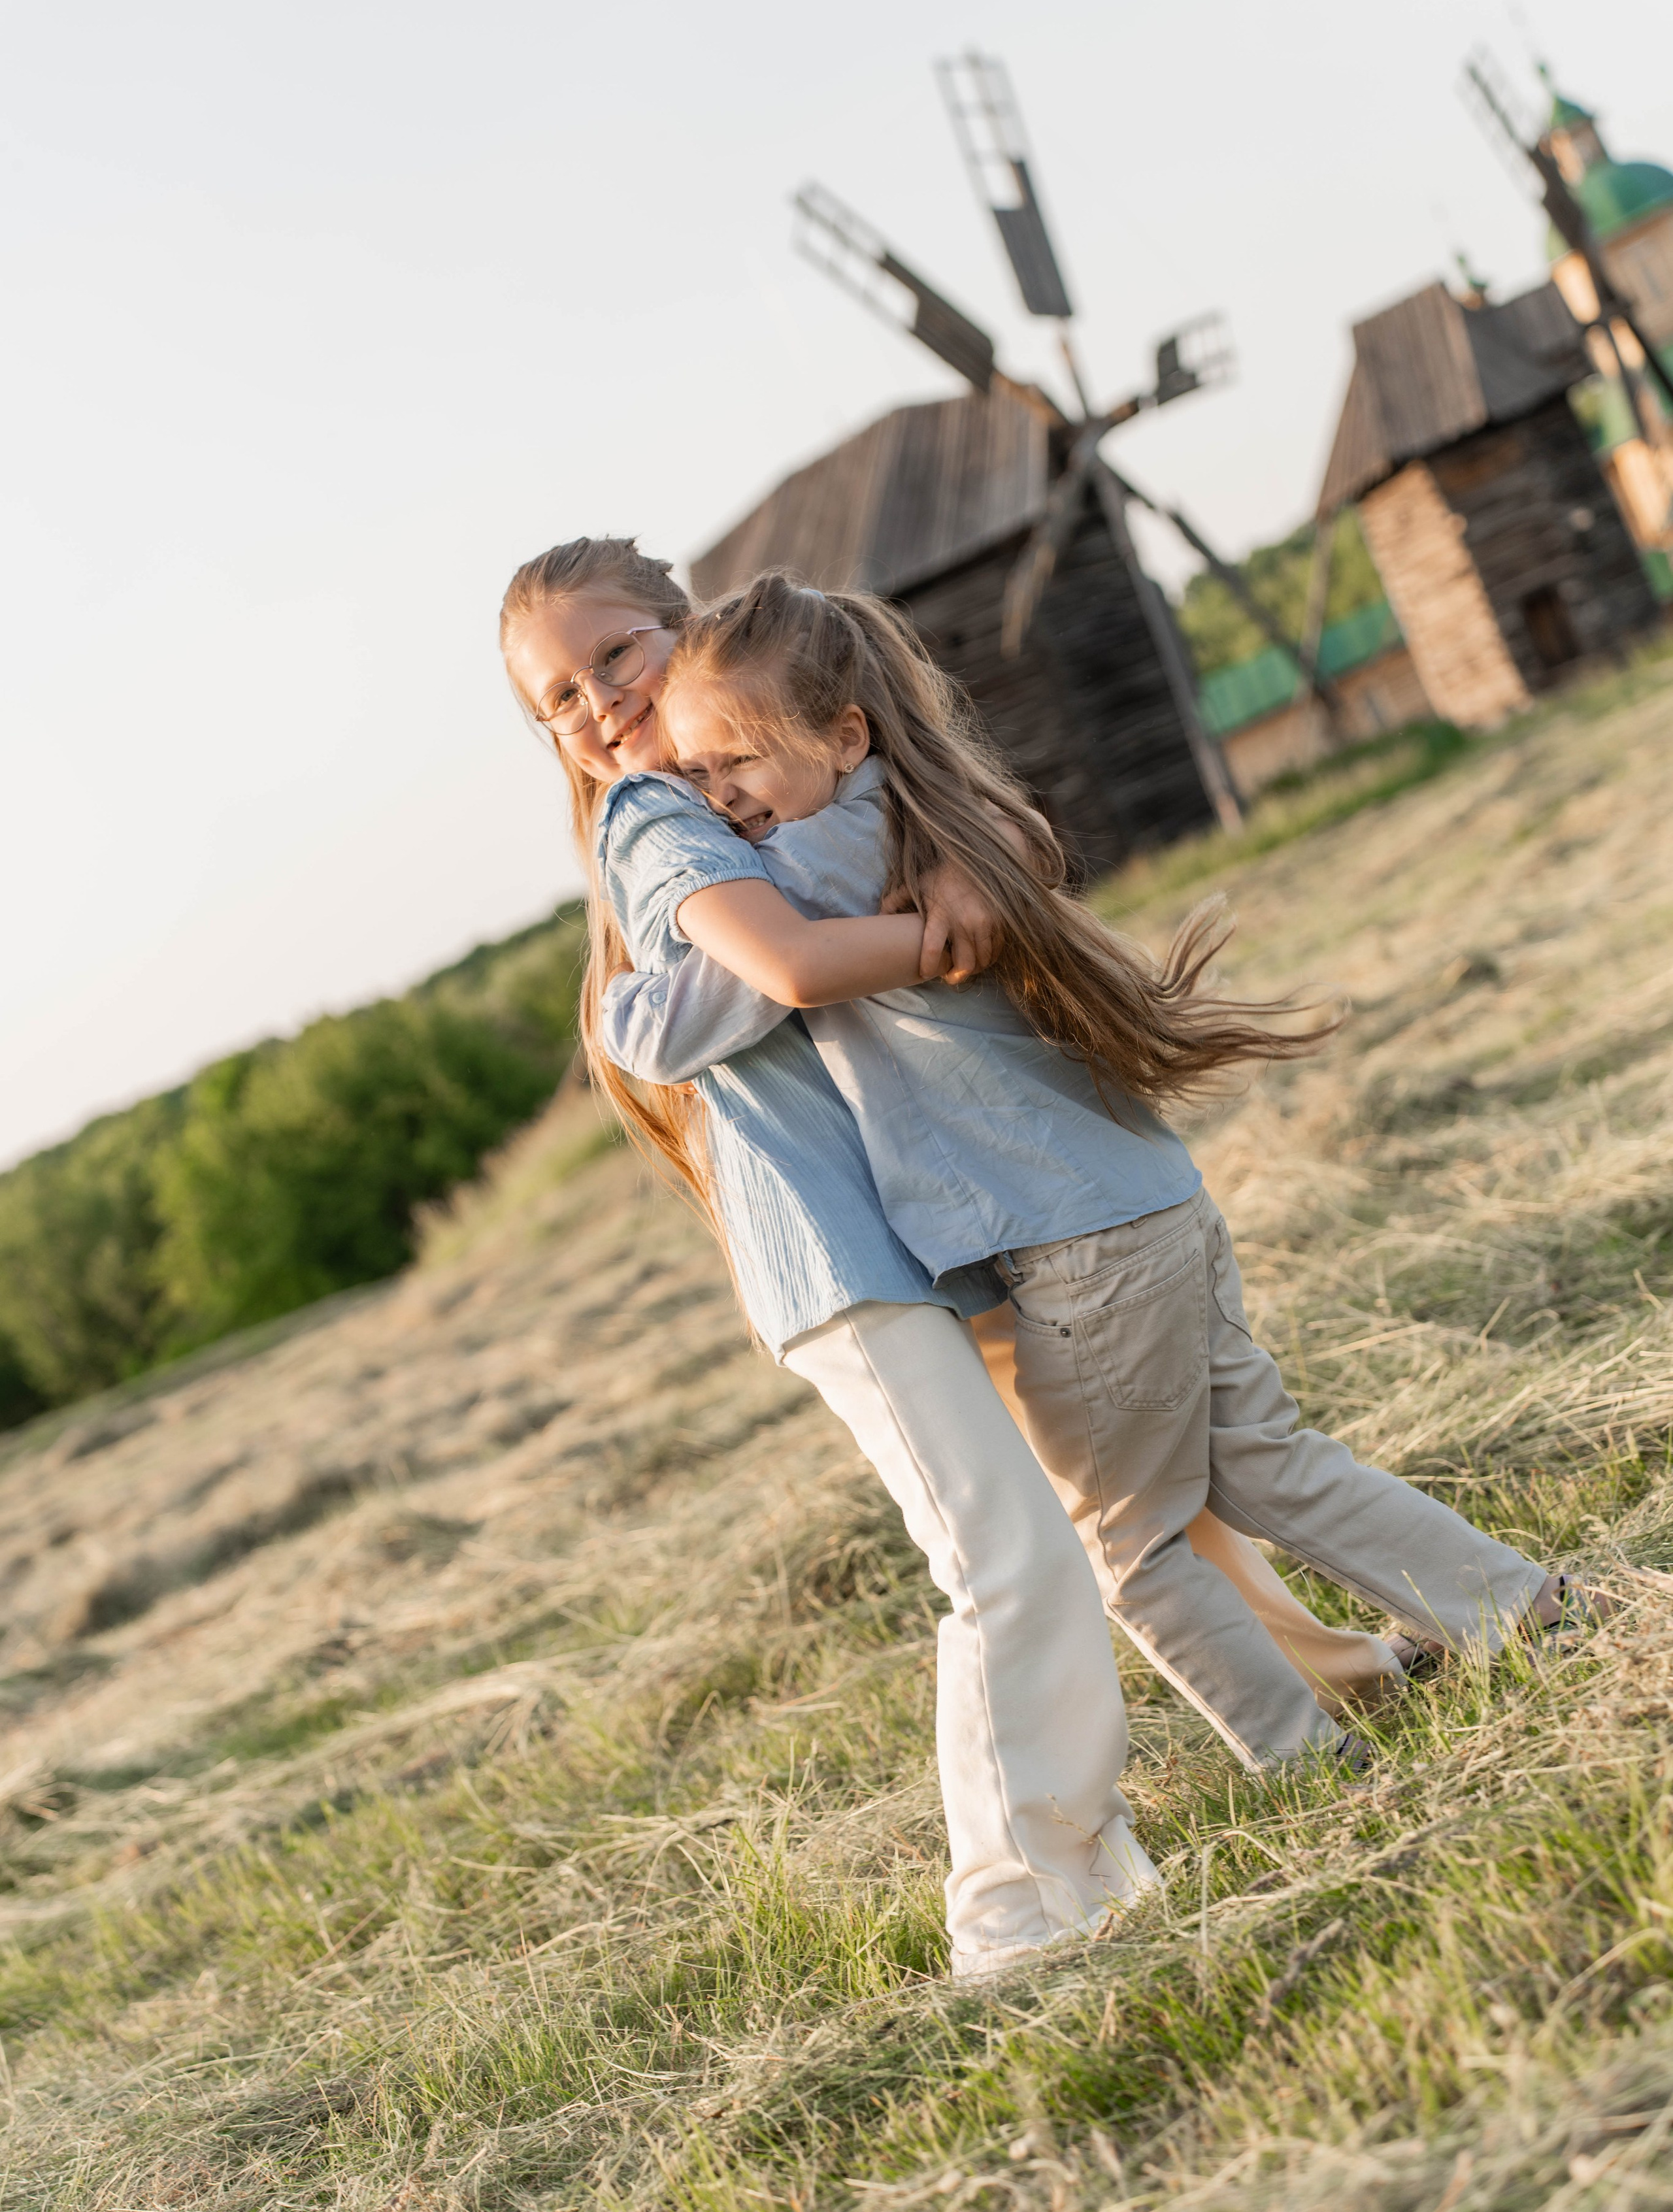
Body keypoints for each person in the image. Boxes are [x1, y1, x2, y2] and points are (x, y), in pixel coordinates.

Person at [599, 571, 1584, 1770]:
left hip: (1076, 1250)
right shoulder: (924, 813)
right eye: (697, 775)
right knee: (1269, 1463)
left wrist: (624, 1004)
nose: (717, 801)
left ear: (844, 735)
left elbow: (672, 1027)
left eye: (737, 763)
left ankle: (1301, 1756)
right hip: (1145, 1201)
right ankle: (1518, 1606)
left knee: (1133, 1547)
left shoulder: (807, 869)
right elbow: (1016, 834)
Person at [499, 536, 1159, 1981]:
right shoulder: (657, 823)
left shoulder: (730, 783)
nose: (599, 702)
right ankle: (1004, 1915)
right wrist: (935, 918)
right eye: (558, 696)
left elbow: (830, 887)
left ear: (681, 628)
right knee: (1000, 1557)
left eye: (614, 655)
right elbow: (789, 961)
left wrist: (955, 856)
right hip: (830, 1246)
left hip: (899, 1227)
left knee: (1041, 1538)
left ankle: (1086, 1867)